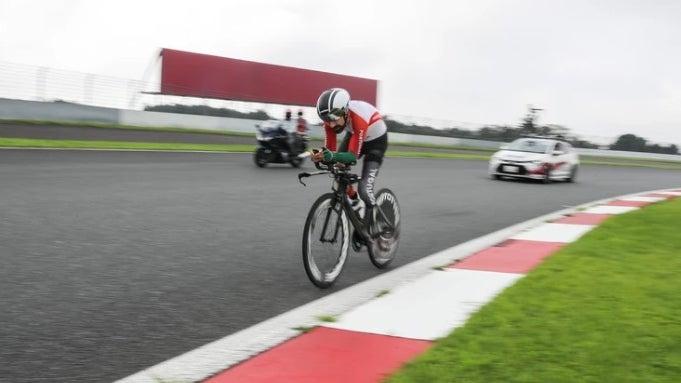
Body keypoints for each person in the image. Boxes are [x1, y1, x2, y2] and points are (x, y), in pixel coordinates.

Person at [310, 87, 389, 238]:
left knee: (365, 189)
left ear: (345, 112)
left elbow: (352, 157)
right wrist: (319, 156)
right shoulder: (331, 122)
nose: (331, 125)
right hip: (354, 134)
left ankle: (376, 221)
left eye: (333, 119)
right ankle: (356, 203)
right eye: (326, 120)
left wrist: (331, 156)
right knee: (337, 170)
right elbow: (330, 153)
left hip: (376, 142)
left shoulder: (358, 118)